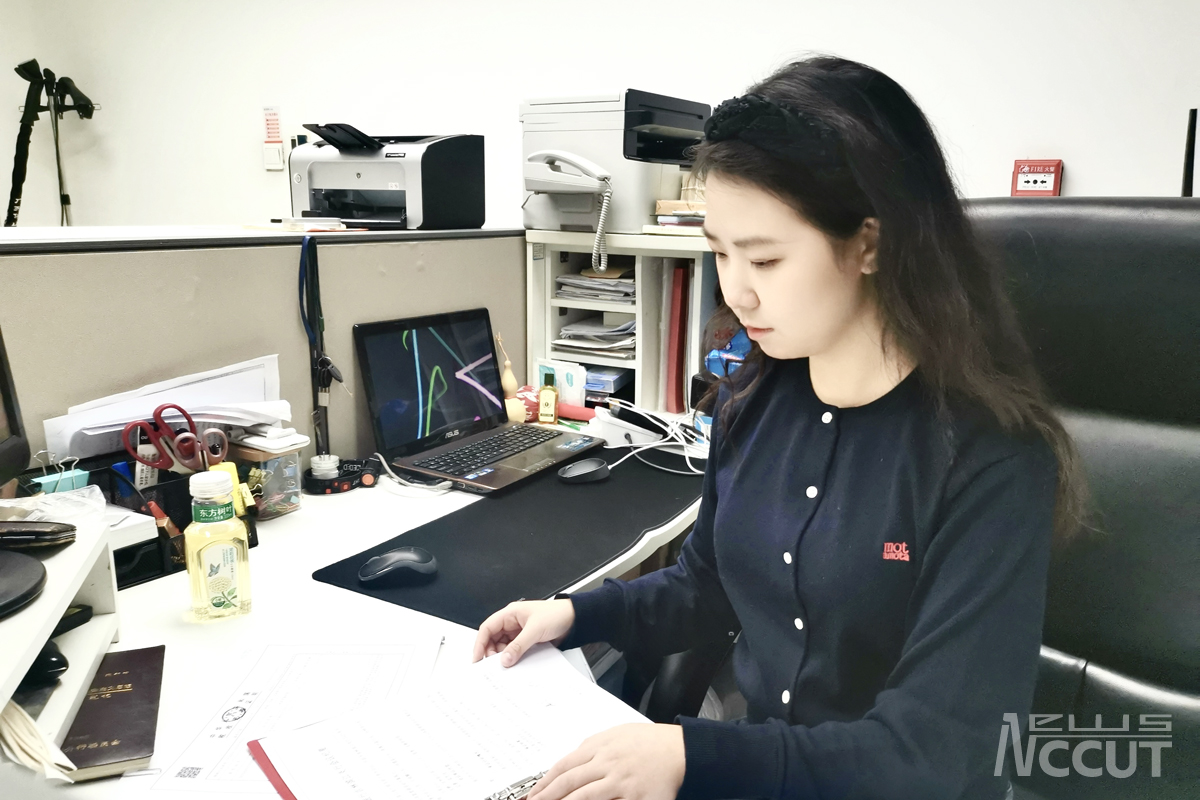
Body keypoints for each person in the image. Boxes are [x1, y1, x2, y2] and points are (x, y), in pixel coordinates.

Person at [473, 56, 1085, 800]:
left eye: (764, 259)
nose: (736, 290)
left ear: (869, 243)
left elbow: (934, 751)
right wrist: (573, 614)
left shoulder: (991, 460)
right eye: (719, 252)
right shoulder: (752, 400)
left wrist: (693, 757)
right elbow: (708, 585)